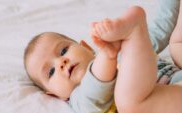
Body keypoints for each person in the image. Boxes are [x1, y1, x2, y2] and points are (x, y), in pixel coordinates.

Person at [24, 3, 182, 113]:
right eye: (51, 72)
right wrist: (107, 55)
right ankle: (135, 26)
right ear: (54, 95)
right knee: (129, 104)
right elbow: (94, 89)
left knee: (176, 43)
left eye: (64, 50)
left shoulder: (126, 49)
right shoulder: (79, 100)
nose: (60, 62)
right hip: (168, 101)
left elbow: (161, 27)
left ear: (86, 47)